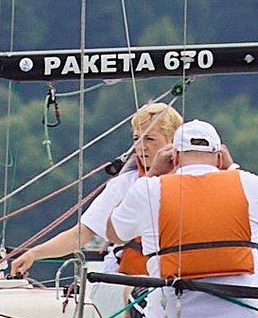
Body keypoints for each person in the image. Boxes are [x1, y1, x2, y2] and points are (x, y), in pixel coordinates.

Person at [91, 118, 258, 318]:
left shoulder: (150, 189)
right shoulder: (248, 183)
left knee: (134, 285)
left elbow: (113, 233)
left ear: (174, 157)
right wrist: (233, 169)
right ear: (218, 156)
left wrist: (151, 174)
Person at [9, 103, 182, 280]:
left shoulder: (191, 182)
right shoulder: (123, 185)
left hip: (180, 279)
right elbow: (80, 234)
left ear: (173, 142)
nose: (141, 146)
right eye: (136, 139)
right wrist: (33, 254)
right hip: (126, 279)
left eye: (150, 139)